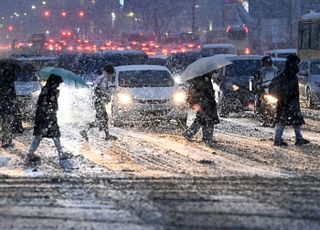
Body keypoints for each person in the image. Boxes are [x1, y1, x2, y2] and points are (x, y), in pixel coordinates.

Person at [270, 54, 310, 147]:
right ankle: (278, 139)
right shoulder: (289, 75)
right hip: (288, 101)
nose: (297, 66)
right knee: (284, 120)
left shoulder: (287, 74)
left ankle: (296, 138)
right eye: (296, 64)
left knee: (292, 120)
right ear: (293, 64)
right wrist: (288, 99)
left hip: (288, 101)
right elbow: (287, 89)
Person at [27, 74, 66, 163]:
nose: (59, 85)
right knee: (54, 135)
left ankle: (30, 153)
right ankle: (61, 153)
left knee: (39, 135)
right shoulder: (50, 91)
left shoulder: (47, 90)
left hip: (43, 116)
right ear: (54, 83)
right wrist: (55, 97)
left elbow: (43, 104)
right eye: (58, 83)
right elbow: (54, 107)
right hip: (47, 117)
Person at [182, 71, 220, 147]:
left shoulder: (204, 78)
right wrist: (208, 98)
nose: (214, 73)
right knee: (207, 120)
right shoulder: (203, 79)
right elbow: (203, 92)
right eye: (213, 71)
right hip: (205, 103)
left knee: (201, 119)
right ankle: (207, 138)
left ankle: (190, 134)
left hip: (204, 103)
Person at [80, 64, 117, 141]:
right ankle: (85, 130)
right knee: (102, 119)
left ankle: (107, 135)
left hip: (97, 101)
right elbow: (103, 89)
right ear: (109, 72)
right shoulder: (105, 79)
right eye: (111, 74)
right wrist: (108, 95)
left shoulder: (99, 77)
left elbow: (95, 88)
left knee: (102, 118)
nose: (111, 76)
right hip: (99, 102)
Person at [253, 56, 279, 125]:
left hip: (273, 89)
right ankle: (258, 109)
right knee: (258, 96)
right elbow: (256, 80)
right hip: (264, 89)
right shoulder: (260, 71)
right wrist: (258, 85)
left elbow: (278, 78)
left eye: (268, 62)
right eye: (266, 62)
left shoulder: (275, 70)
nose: (267, 64)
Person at [0, 59, 20, 148]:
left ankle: (6, 140)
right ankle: (6, 141)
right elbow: (10, 94)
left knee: (6, 122)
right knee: (7, 122)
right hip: (7, 104)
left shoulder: (4, 78)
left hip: (5, 103)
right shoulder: (8, 80)